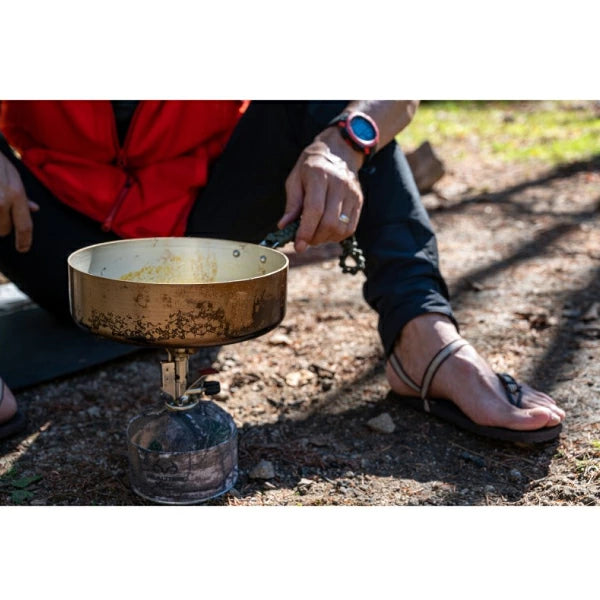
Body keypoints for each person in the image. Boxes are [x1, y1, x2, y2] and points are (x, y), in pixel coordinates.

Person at [0, 100, 565, 443]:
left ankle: (422, 336)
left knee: (340, 113)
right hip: (53, 236)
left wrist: (342, 145)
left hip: (208, 225)